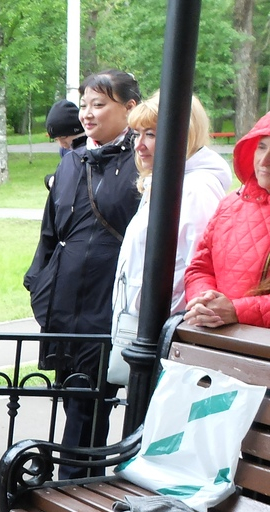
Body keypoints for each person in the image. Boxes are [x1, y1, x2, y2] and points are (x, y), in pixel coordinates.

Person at [24, 70, 140, 479]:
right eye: (84, 104)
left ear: (130, 108)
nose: (88, 114)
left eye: (99, 104)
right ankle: (74, 487)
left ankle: (77, 490)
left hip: (110, 304)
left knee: (94, 404)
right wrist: (38, 285)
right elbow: (49, 234)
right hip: (65, 301)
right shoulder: (73, 161)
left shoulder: (142, 163)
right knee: (75, 400)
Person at [108, 92, 230, 381]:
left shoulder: (196, 189)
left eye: (151, 134)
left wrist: (165, 318)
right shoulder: (166, 182)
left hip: (169, 337)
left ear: (181, 135)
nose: (139, 145)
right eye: (137, 134)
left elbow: (198, 268)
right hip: (147, 329)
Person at [183, 111, 270, 329]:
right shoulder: (231, 204)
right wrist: (204, 299)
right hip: (218, 346)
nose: (265, 160)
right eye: (261, 147)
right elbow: (200, 268)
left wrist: (236, 310)